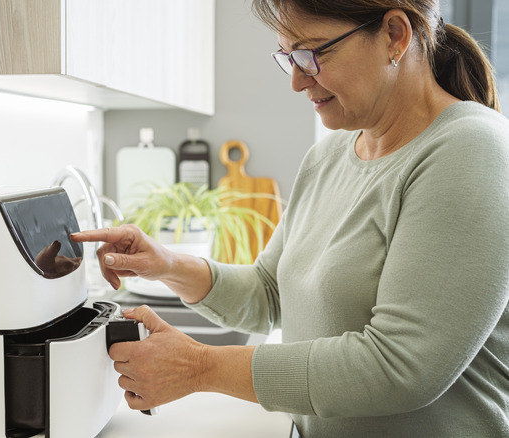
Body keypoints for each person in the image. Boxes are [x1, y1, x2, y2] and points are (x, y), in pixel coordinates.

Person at [71, 1, 509, 436]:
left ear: (394, 35)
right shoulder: (328, 156)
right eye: (289, 58)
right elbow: (269, 294)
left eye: (313, 53)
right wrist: (167, 265)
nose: (298, 80)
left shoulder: (472, 150)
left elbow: (399, 366)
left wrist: (198, 366)